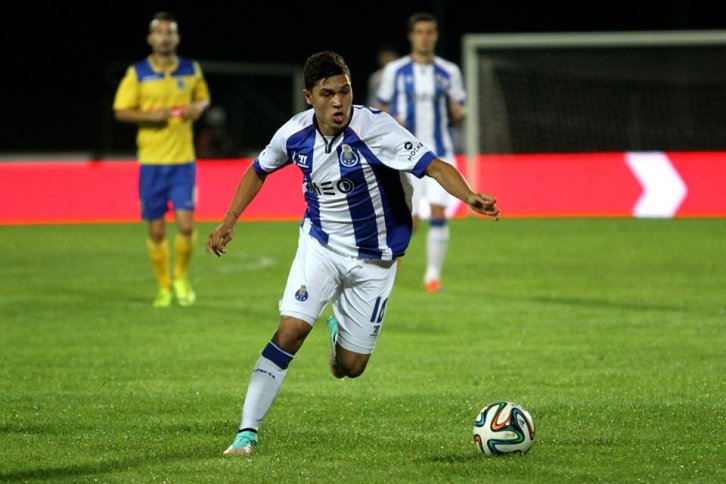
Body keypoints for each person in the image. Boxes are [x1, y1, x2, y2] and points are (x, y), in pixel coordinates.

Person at [206, 50, 499, 456]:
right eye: (327, 94)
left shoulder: (377, 129)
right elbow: (259, 169)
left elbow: (433, 165)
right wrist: (229, 219)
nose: (338, 102)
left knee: (351, 367)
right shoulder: (294, 134)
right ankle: (246, 433)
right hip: (321, 246)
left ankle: (338, 335)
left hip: (375, 258)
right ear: (309, 97)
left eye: (344, 91)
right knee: (290, 331)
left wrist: (468, 195)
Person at [113, 11, 210, 307]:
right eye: (159, 32)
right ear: (150, 39)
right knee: (156, 230)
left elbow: (203, 98)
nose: (164, 37)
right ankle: (164, 286)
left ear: (177, 38)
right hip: (152, 162)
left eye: (170, 32)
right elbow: (120, 111)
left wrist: (197, 108)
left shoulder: (191, 69)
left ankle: (180, 277)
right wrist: (148, 116)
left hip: (183, 161)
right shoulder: (138, 73)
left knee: (186, 226)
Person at [376, 12, 467, 293]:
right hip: (406, 154)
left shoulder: (449, 71)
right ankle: (387, 265)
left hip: (441, 153)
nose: (424, 37)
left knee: (439, 211)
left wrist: (459, 113)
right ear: (411, 36)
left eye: (429, 32)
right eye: (420, 32)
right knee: (409, 219)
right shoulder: (395, 71)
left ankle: (432, 277)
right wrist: (391, 122)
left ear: (435, 36)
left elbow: (460, 110)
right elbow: (379, 110)